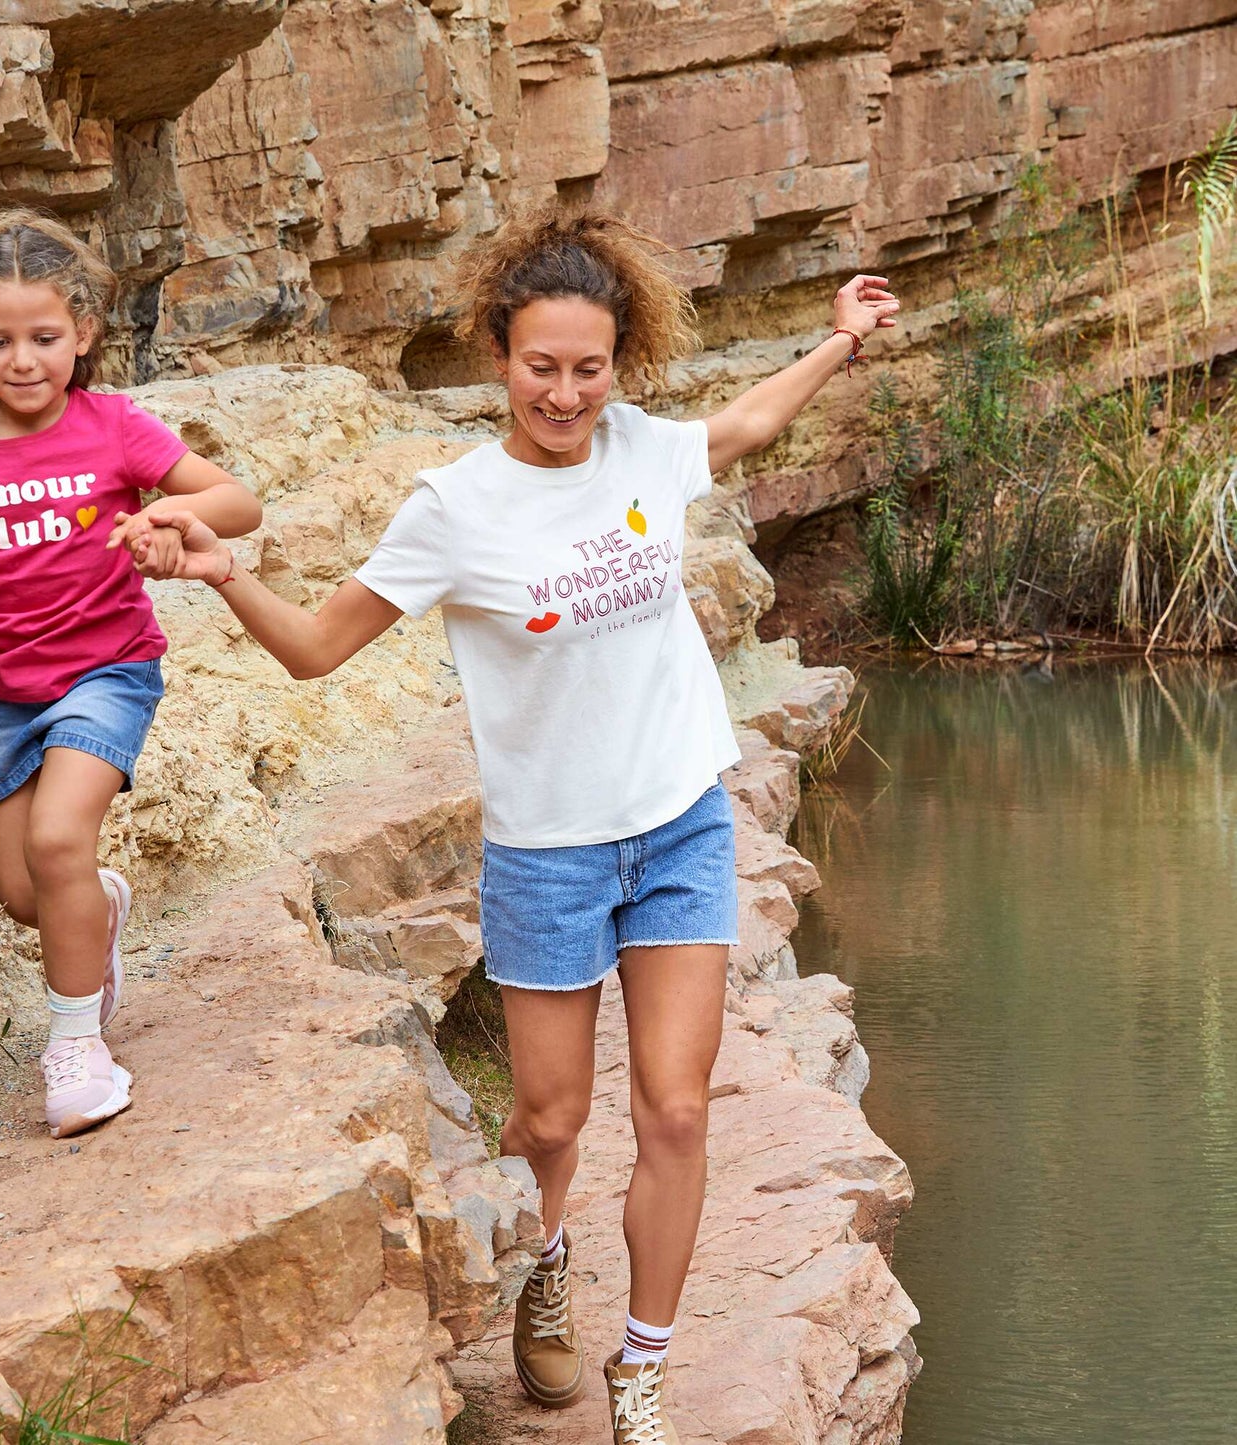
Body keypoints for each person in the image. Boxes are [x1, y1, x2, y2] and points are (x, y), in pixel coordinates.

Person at [112, 205, 898, 1444]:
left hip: (679, 819)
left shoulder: (640, 446)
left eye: (589, 367)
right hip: (549, 851)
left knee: (675, 1108)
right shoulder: (453, 508)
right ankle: (547, 1251)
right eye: (542, 366)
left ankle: (641, 1369)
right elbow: (319, 649)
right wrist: (226, 575)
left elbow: (743, 425)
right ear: (498, 354)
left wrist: (837, 341)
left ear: (617, 361)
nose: (567, 393)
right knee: (546, 1118)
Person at [0, 209, 262, 1139]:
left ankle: (77, 1049)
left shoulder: (113, 426)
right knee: (27, 893)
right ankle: (97, 911)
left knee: (59, 842)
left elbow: (236, 500)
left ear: (81, 333)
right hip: (4, 692)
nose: (23, 359)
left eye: (44, 337)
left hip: (106, 672)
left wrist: (171, 518)